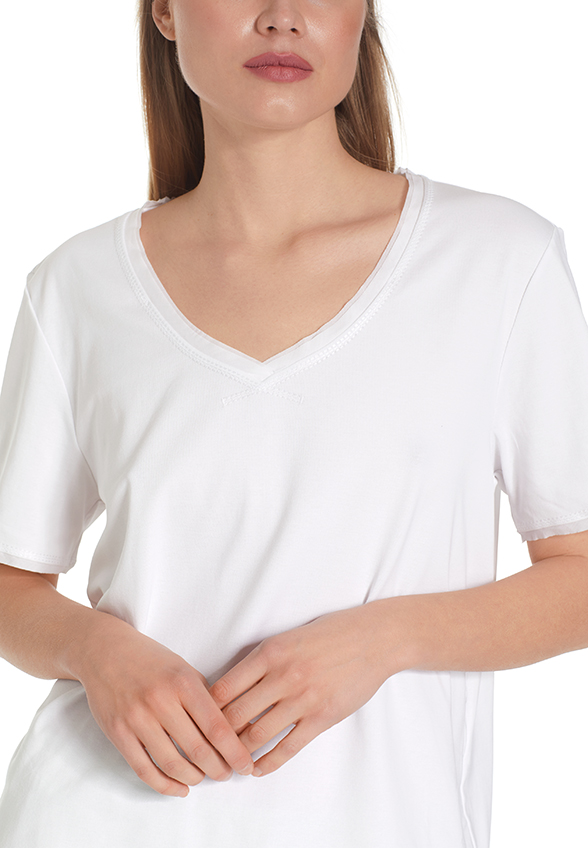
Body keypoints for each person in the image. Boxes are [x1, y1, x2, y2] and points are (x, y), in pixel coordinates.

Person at [0, 0, 587, 845]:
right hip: (95, 817)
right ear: (165, 12)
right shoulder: (76, 286)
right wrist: (97, 653)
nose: (282, 17)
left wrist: (382, 640)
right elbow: (14, 581)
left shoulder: (498, 260)